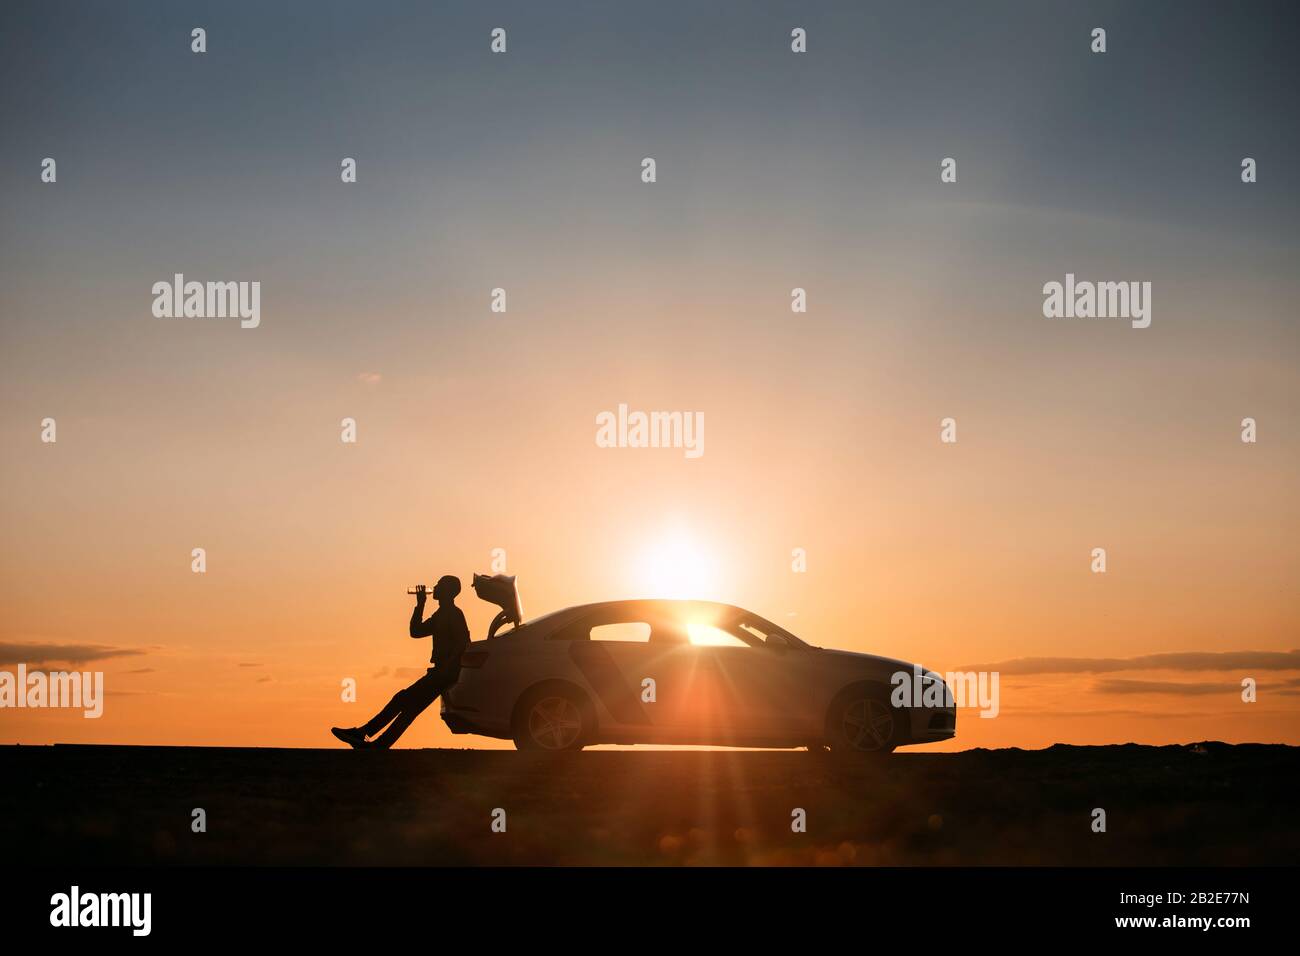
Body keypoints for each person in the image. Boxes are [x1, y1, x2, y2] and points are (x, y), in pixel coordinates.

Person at [331, 574, 470, 749]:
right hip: (441, 672)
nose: (434, 587)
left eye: (439, 585)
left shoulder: (454, 614)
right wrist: (420, 604)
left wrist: (447, 666)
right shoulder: (441, 614)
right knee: (409, 710)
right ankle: (379, 744)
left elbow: (463, 642)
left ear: (448, 591)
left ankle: (364, 733)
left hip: (444, 674)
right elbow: (416, 631)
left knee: (402, 699)